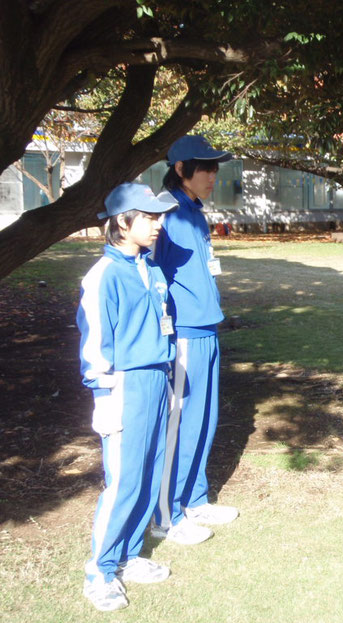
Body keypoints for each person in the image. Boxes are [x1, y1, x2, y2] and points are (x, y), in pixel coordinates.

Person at [77, 183, 179, 611]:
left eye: (159, 216)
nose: (158, 224)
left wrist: (169, 379)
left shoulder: (151, 269)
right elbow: (95, 341)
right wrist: (103, 394)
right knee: (124, 481)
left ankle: (130, 554)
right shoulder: (103, 275)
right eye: (149, 217)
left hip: (157, 379)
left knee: (151, 471)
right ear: (122, 222)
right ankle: (100, 571)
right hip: (124, 386)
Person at [151, 135, 238, 546]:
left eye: (216, 167)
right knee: (179, 424)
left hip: (207, 331)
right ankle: (165, 515)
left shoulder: (194, 214)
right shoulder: (164, 214)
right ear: (182, 169)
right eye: (205, 167)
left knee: (205, 419)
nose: (213, 174)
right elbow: (152, 279)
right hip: (184, 335)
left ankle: (195, 498)